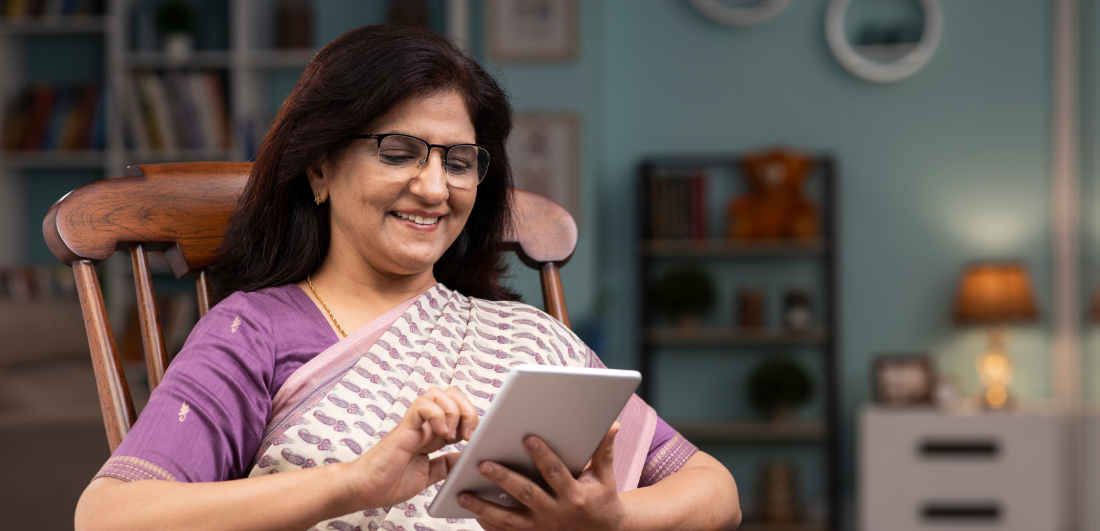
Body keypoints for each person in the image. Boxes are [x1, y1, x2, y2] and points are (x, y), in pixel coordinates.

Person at [75, 25, 741, 531]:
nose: (433, 188)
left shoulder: (527, 339)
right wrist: (357, 482)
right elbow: (110, 514)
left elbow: (716, 489)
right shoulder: (257, 330)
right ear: (320, 168)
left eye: (458, 161)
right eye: (398, 152)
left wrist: (614, 518)